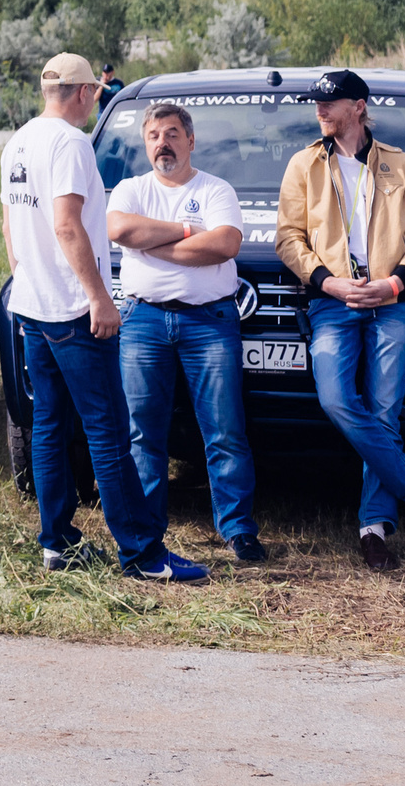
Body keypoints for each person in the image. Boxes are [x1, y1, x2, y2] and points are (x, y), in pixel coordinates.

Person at [1, 53, 208, 582]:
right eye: (93, 94)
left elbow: (10, 226)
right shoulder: (69, 143)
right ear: (85, 93)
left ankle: (57, 543)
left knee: (48, 425)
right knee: (109, 432)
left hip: (33, 304)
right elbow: (67, 225)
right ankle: (142, 553)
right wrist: (98, 297)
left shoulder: (18, 141)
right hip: (72, 310)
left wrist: (30, 282)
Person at [276, 69, 405, 568]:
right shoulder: (303, 165)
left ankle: (373, 529)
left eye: (330, 102)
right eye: (317, 102)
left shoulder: (402, 166)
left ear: (359, 105)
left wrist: (395, 281)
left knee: (384, 411)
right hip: (332, 302)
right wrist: (326, 282)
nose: (320, 109)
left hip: (391, 302)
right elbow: (289, 238)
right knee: (335, 399)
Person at [107, 102, 262, 563]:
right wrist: (182, 232)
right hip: (143, 321)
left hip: (209, 322)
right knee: (143, 434)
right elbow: (120, 229)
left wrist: (152, 247)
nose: (163, 143)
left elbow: (224, 245)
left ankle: (238, 530)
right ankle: (145, 532)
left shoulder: (217, 190)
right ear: (145, 143)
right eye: (154, 135)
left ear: (190, 140)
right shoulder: (131, 189)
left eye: (172, 133)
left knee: (225, 430)